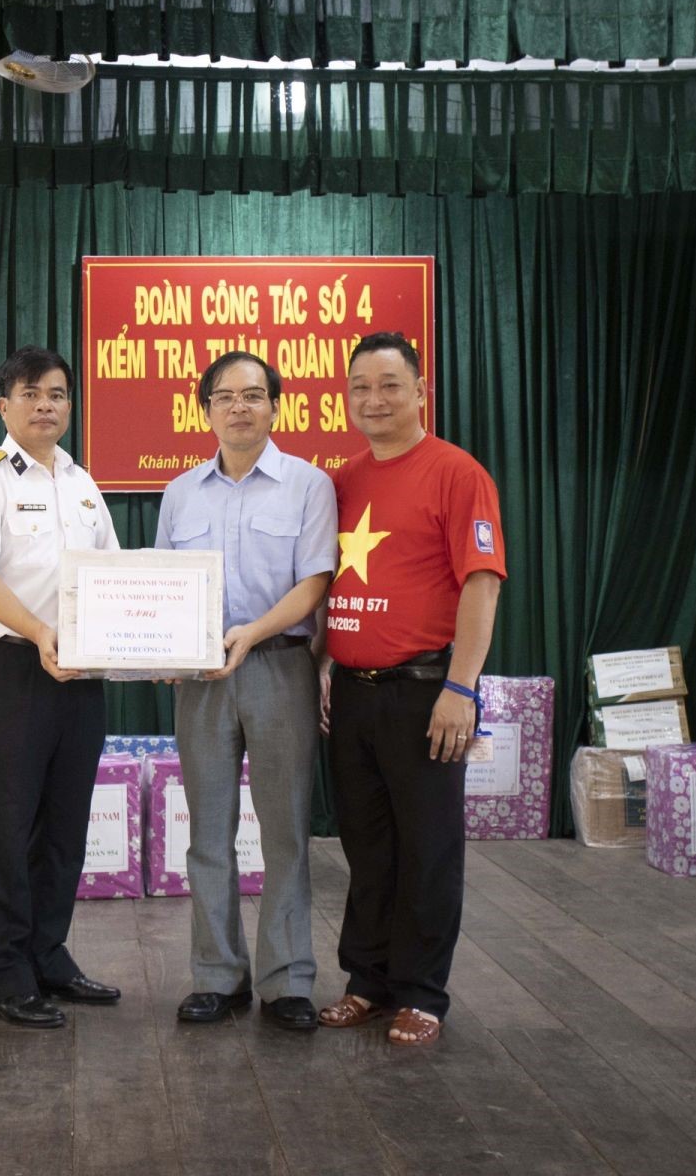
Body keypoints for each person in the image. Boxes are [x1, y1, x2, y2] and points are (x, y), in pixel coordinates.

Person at [317, 331, 504, 1048]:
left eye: (390, 384)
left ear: (421, 390)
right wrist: (329, 666)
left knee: (428, 849)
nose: (374, 399)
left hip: (427, 693)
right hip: (354, 697)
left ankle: (422, 994)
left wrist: (463, 686)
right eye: (360, 385)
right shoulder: (344, 479)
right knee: (366, 848)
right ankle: (367, 983)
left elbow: (482, 584)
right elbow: (332, 583)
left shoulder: (458, 474)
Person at [0, 345, 121, 1029]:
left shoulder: (82, 482)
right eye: (31, 393)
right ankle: (3, 973)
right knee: (6, 831)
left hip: (79, 677)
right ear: (3, 405)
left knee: (64, 829)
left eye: (58, 394)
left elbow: (112, 576)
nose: (46, 405)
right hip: (13, 670)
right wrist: (42, 633)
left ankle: (49, 954)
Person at [155, 352, 337, 1031]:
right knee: (208, 833)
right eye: (225, 396)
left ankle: (287, 980)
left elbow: (314, 582)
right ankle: (217, 976)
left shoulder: (308, 485)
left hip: (278, 668)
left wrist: (250, 634)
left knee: (287, 831)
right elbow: (166, 589)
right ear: (204, 409)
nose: (240, 407)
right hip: (201, 678)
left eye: (254, 395)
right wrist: (171, 644)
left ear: (275, 407)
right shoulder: (180, 493)